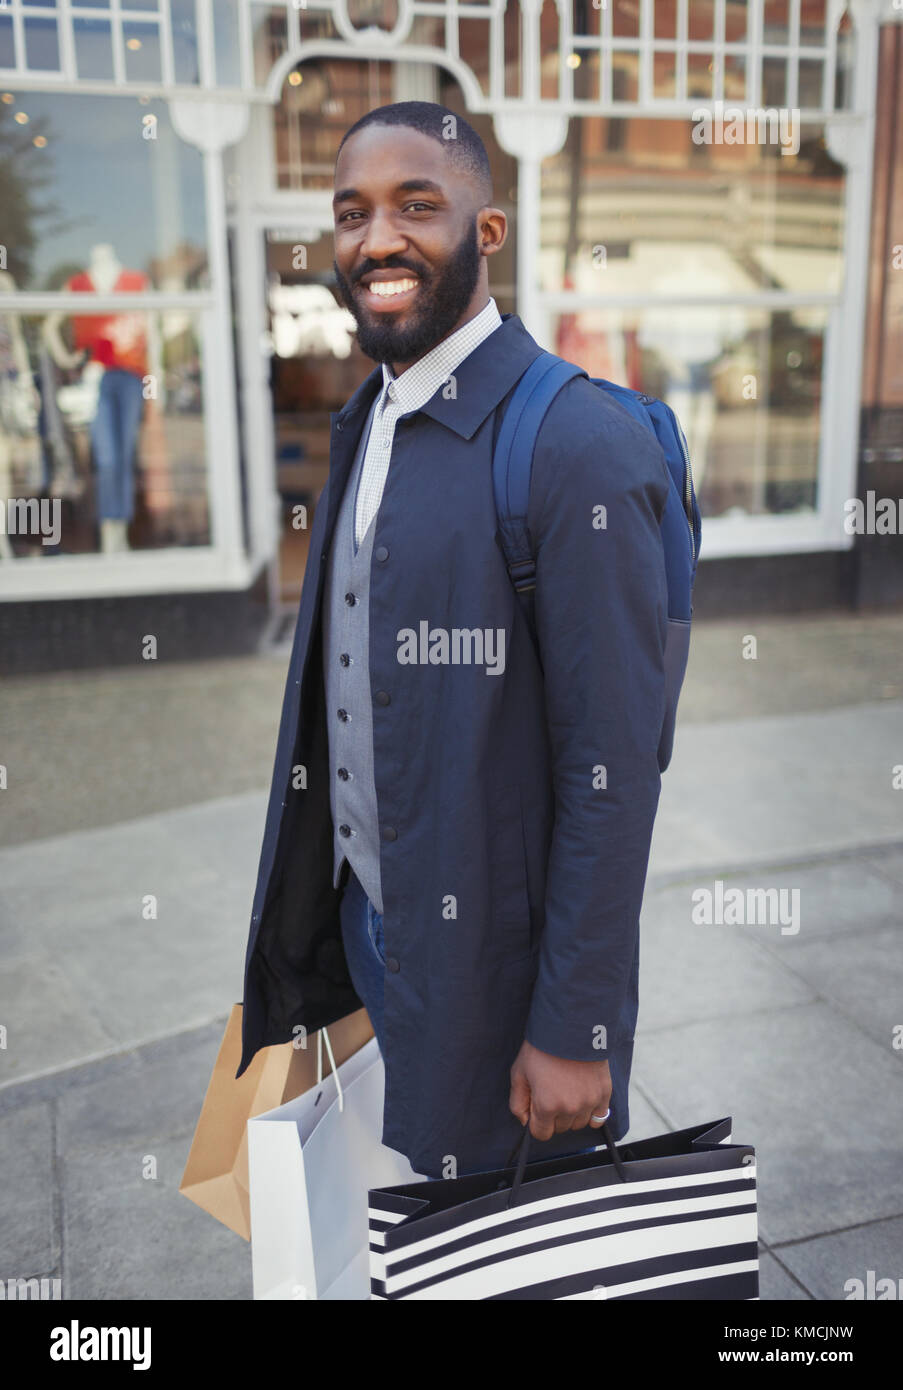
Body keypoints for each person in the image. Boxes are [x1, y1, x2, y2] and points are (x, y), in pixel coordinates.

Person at [237, 101, 671, 1182]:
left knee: (512, 1244)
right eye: (351, 214)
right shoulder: (371, 415)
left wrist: (578, 1024)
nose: (376, 240)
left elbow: (613, 771)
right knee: (425, 1222)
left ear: (488, 231)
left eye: (416, 205)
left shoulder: (577, 445)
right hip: (376, 926)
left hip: (501, 969)